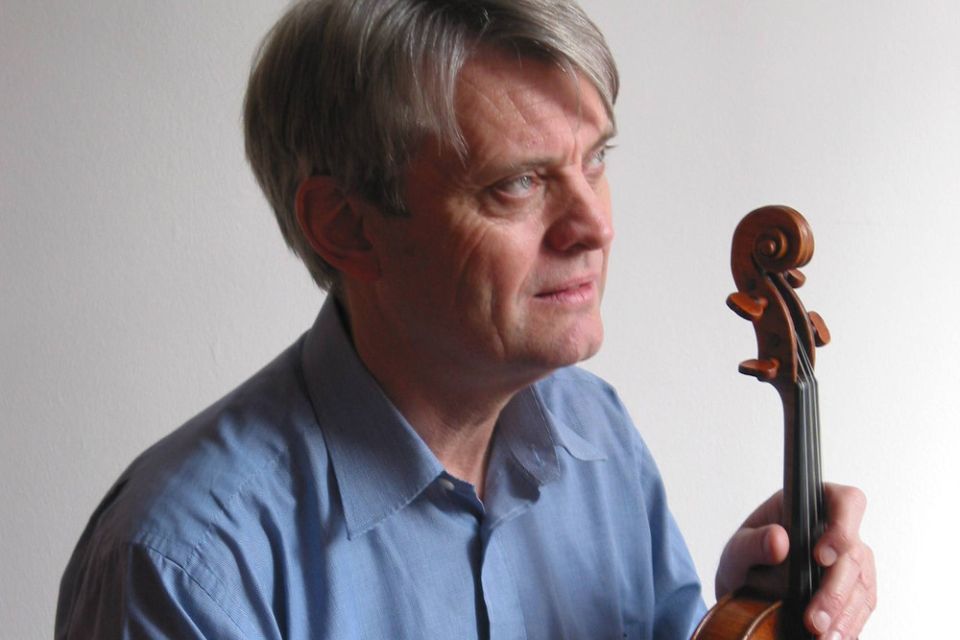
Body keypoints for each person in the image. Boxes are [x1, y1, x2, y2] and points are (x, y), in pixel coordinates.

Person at [56, 1, 876, 638]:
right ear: (346, 226)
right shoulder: (184, 563)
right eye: (517, 183)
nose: (594, 225)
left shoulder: (599, 439)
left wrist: (747, 617)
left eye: (595, 160)